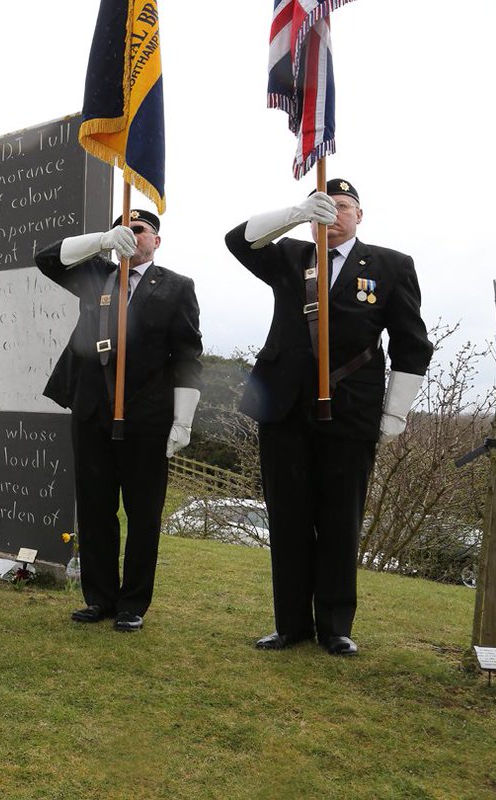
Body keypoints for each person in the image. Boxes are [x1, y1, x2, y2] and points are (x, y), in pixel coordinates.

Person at [226, 178, 433, 657]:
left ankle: (336, 626)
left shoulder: (390, 265)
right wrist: (297, 212)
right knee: (288, 517)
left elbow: (411, 342)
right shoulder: (292, 256)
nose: (335, 212)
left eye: (344, 206)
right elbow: (238, 240)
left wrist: (396, 411)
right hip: (282, 406)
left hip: (352, 408)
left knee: (341, 519)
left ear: (361, 215)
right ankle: (290, 624)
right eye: (327, 204)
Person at [37, 210, 204, 632]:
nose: (132, 235)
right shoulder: (97, 275)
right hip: (92, 410)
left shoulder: (177, 287)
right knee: (95, 509)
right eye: (124, 230)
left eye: (139, 230)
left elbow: (187, 357)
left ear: (156, 241)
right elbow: (48, 259)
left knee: (144, 514)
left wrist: (182, 421)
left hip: (147, 417)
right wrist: (101, 240)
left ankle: (132, 604)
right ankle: (99, 598)